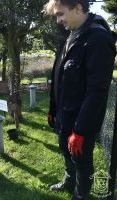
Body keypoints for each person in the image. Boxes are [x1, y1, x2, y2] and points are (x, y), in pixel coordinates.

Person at [44, 0, 116, 199]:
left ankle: (80, 195)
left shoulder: (98, 39)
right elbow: (58, 76)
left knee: (82, 162)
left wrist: (80, 131)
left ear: (78, 8)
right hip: (63, 113)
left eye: (61, 14)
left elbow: (97, 91)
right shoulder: (69, 35)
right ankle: (69, 181)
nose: (59, 20)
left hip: (81, 120)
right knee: (66, 152)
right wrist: (53, 109)